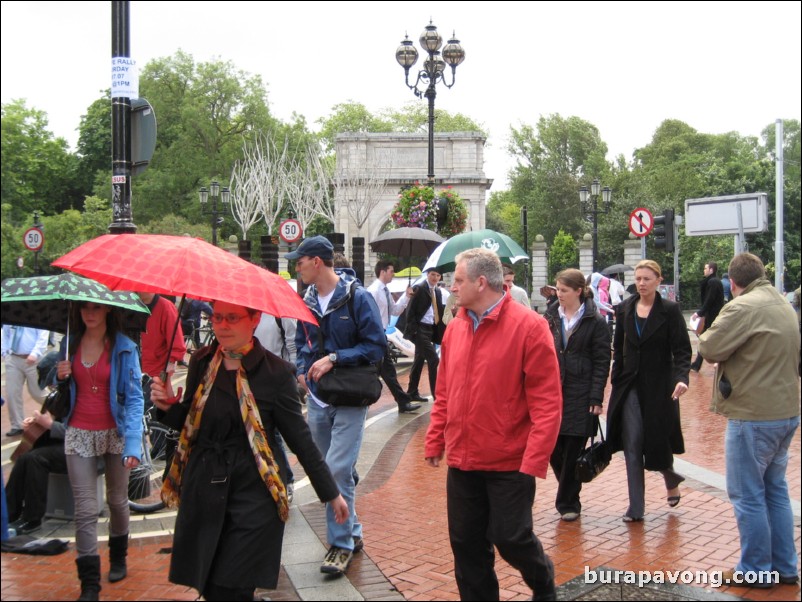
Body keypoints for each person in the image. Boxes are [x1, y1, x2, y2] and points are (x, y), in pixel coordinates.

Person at [148, 300, 347, 601]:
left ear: (254, 319)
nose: (222, 325)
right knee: (211, 584)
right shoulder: (203, 362)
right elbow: (192, 422)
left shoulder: (276, 373)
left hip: (253, 492)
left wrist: (331, 492)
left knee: (233, 586)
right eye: (217, 318)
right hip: (204, 489)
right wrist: (167, 407)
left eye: (232, 318)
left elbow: (301, 440)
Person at [425, 248, 562, 601]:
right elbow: (445, 391)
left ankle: (542, 577)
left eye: (458, 280)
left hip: (510, 461)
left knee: (511, 538)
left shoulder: (530, 326)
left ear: (480, 282)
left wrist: (534, 460)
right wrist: (435, 439)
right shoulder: (455, 329)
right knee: (467, 547)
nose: (452, 287)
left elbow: (547, 402)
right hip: (463, 460)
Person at [698, 253, 800, 587]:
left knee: (748, 494)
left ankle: (755, 569)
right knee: (775, 490)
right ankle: (785, 566)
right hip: (785, 411)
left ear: (733, 281)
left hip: (753, 414)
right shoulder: (782, 303)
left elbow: (710, 347)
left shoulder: (743, 306)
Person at [290, 235, 385, 575]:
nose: (295, 266)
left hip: (349, 396)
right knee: (332, 471)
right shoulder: (306, 300)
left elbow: (376, 347)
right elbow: (301, 342)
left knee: (336, 470)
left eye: (299, 261)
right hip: (317, 397)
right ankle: (353, 531)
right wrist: (302, 370)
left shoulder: (358, 298)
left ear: (317, 262)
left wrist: (334, 357)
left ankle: (340, 544)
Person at [54, 301, 144, 600]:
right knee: (85, 509)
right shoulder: (70, 342)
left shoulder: (125, 347)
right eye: (84, 309)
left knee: (117, 500)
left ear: (108, 310)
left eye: (95, 308)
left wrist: (133, 444)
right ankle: (89, 582)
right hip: (78, 432)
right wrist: (59, 375)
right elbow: (51, 384)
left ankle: (118, 557)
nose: (89, 313)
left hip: (115, 433)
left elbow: (134, 398)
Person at [606, 260, 691, 522]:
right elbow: (619, 348)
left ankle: (670, 477)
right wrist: (615, 379)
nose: (641, 283)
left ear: (658, 280)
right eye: (638, 278)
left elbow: (682, 350)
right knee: (633, 442)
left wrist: (681, 378)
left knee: (657, 441)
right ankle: (636, 507)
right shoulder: (625, 308)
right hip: (629, 384)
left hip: (659, 387)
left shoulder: (670, 310)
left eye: (646, 278)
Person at [544, 269, 610, 522]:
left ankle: (568, 502)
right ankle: (569, 490)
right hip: (552, 391)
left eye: (563, 290)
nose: (558, 294)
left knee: (573, 448)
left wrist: (596, 398)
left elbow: (602, 361)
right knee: (552, 447)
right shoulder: (550, 316)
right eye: (557, 290)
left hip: (581, 393)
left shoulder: (595, 321)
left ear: (578, 291)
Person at [366, 260, 420, 414]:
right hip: (375, 335)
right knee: (380, 371)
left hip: (380, 335)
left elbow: (395, 311)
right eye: (391, 271)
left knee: (386, 371)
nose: (393, 274)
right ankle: (400, 401)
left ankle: (402, 401)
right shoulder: (374, 291)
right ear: (382, 272)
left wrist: (406, 296)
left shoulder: (385, 291)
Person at [6, 409, 67, 535]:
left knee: (35, 459)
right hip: (64, 442)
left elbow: (81, 433)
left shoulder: (88, 397)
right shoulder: (66, 392)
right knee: (23, 458)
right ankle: (8, 512)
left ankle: (32, 518)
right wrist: (37, 422)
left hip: (83, 447)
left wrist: (50, 424)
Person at [404, 268, 446, 402]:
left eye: (438, 275)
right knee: (434, 359)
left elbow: (438, 311)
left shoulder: (437, 291)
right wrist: (414, 330)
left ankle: (412, 391)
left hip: (430, 329)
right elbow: (410, 311)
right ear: (427, 275)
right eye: (433, 275)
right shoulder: (420, 288)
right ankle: (436, 394)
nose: (435, 278)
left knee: (419, 360)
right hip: (419, 329)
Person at [136, 292, 187, 401]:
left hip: (155, 374)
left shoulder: (166, 308)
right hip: (132, 370)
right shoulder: (131, 304)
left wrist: (171, 363)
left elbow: (177, 343)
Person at [1, 325, 49, 436]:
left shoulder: (36, 314)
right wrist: (4, 352)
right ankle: (17, 425)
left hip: (34, 360)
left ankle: (59, 410)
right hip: (13, 358)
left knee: (37, 392)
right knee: (12, 393)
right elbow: (5, 334)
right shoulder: (12, 315)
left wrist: (35, 353)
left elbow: (43, 336)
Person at [690, 261, 725, 372]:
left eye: (705, 268)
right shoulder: (714, 281)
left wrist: (699, 313)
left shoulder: (712, 282)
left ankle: (699, 364)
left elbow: (709, 299)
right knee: (705, 339)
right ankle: (697, 364)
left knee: (706, 339)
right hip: (712, 315)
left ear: (711, 270)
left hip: (712, 316)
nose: (704, 270)